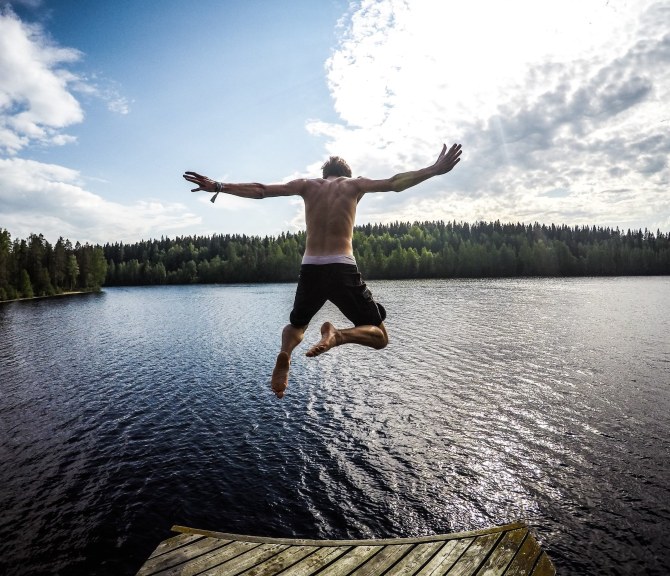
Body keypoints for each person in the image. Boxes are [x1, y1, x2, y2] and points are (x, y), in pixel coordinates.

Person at [183, 142, 462, 398]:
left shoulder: (307, 185)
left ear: (325, 172)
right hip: (342, 266)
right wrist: (434, 170)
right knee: (379, 336)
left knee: (296, 325)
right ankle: (338, 335)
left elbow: (262, 190)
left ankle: (285, 353)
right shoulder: (355, 185)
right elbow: (394, 183)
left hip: (311, 267)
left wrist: (219, 185)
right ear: (346, 173)